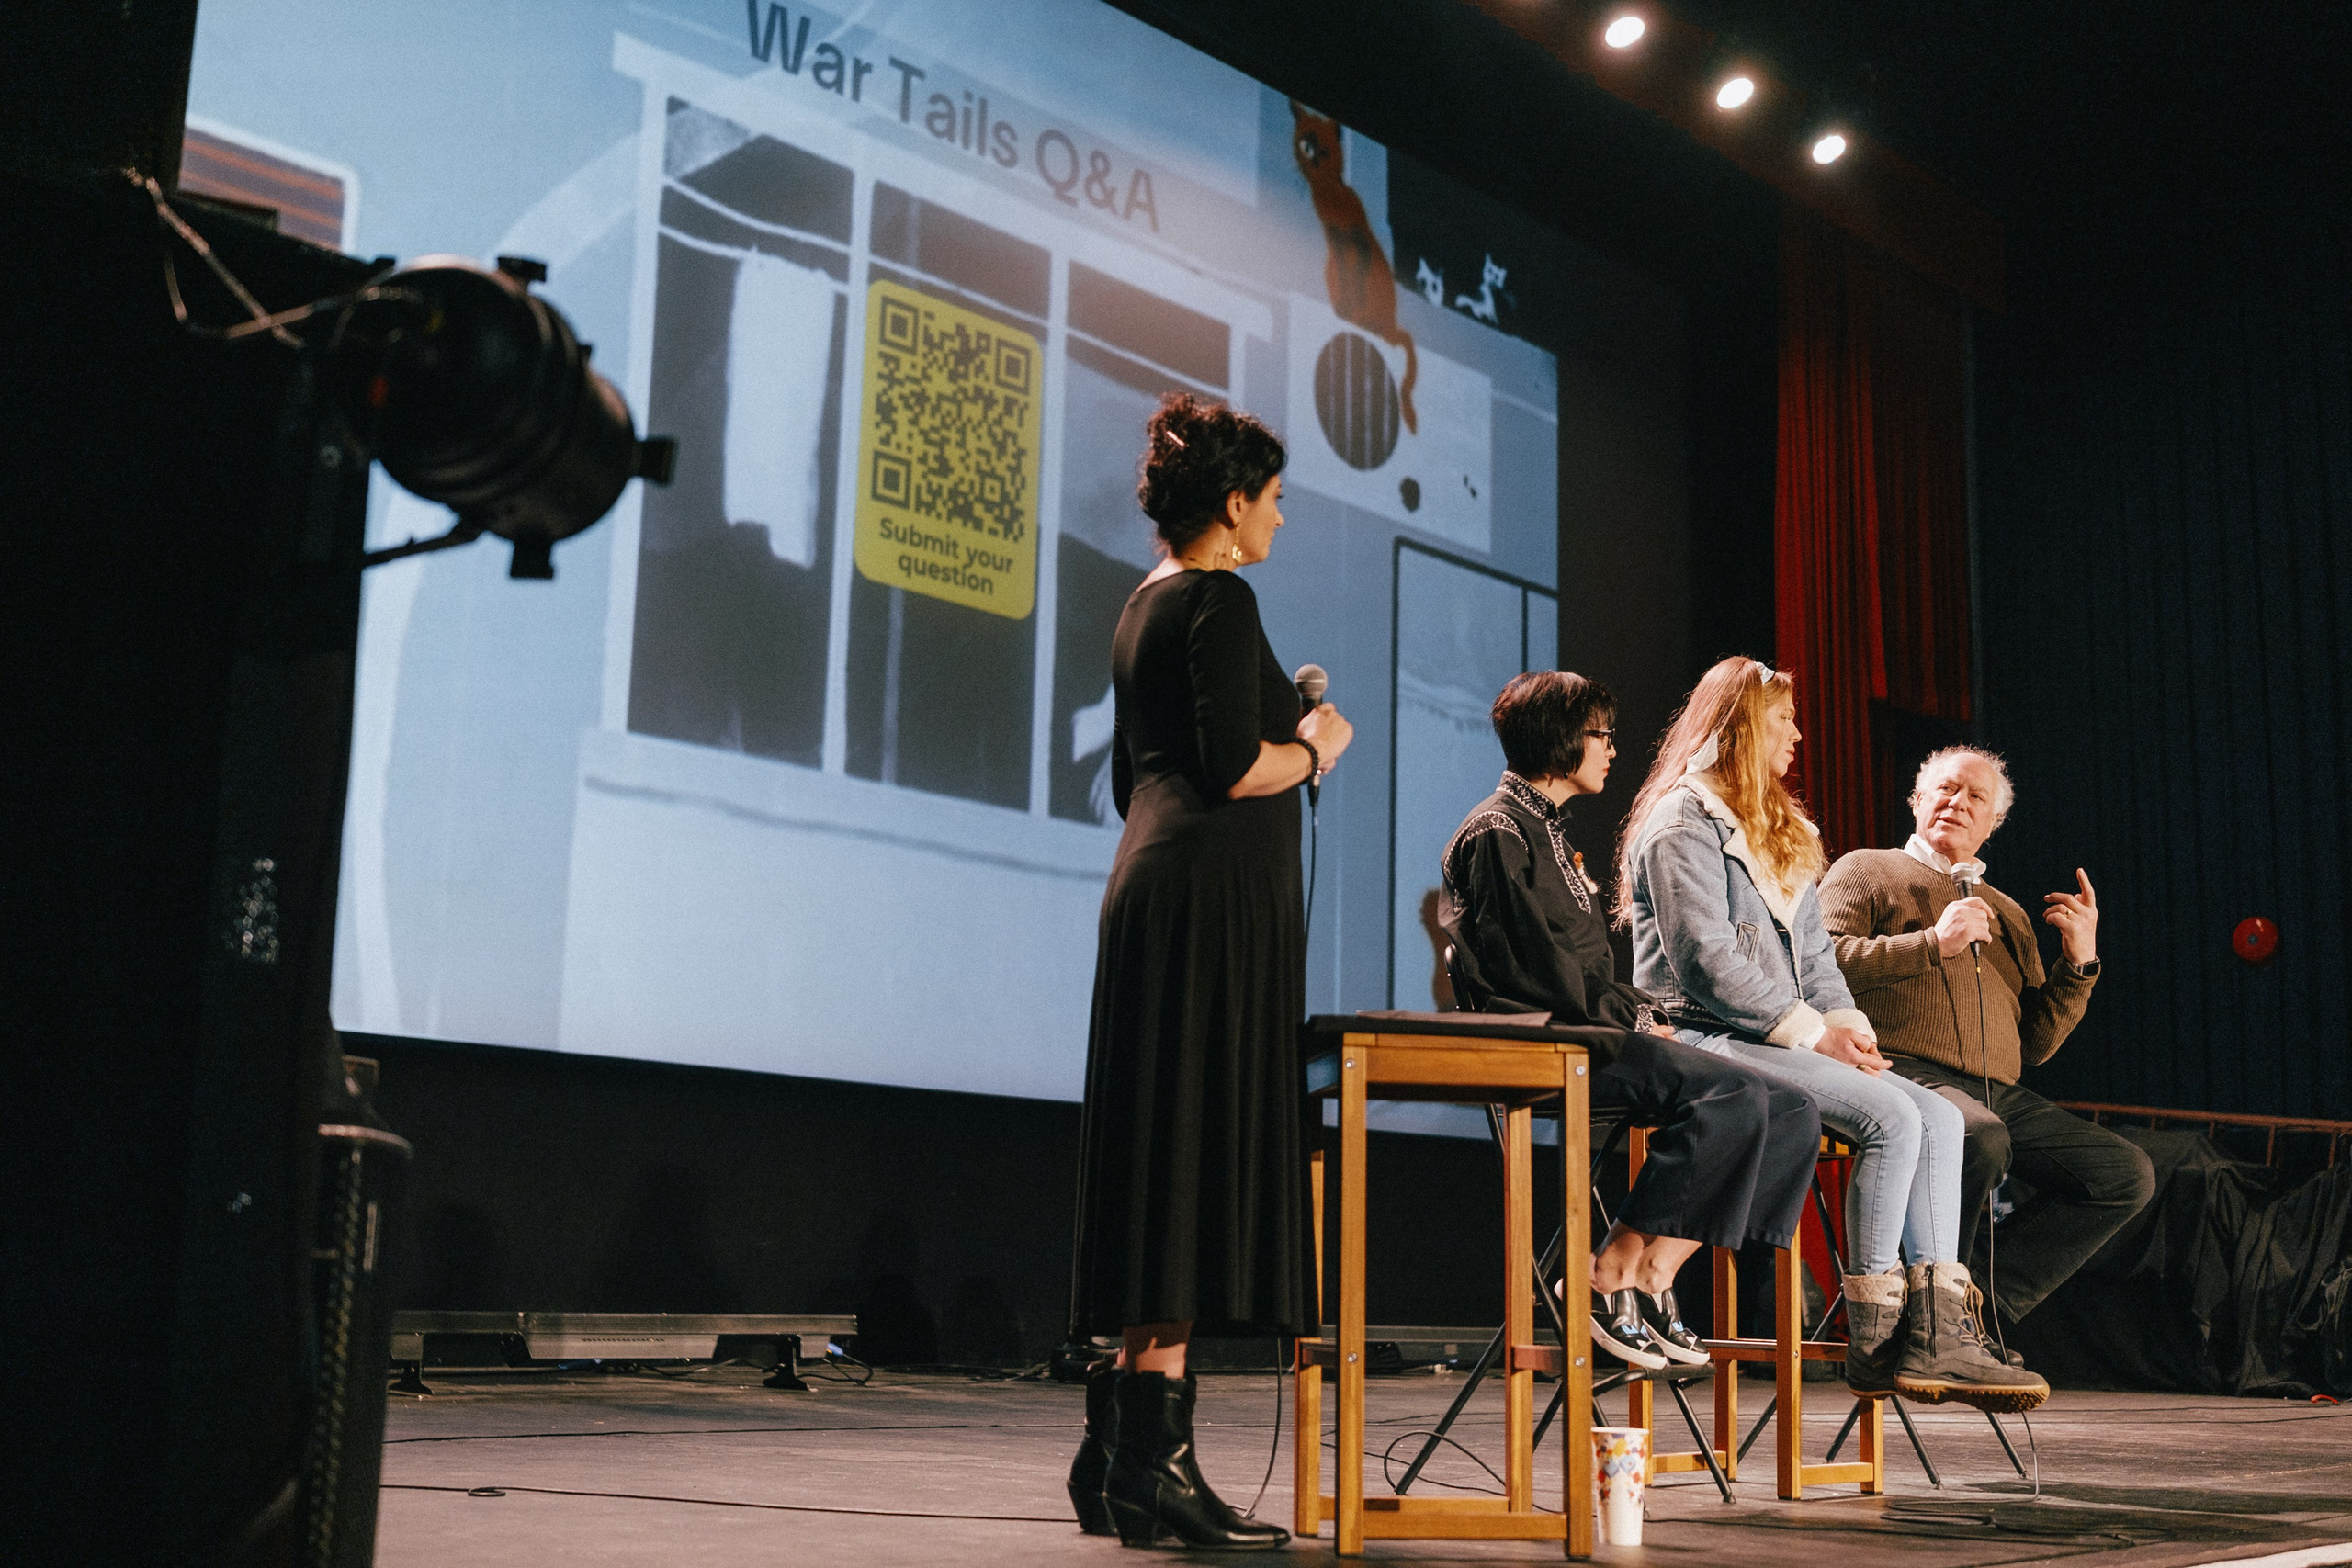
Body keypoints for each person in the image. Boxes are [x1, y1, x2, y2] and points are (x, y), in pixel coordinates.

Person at [1064, 394, 1353, 1551]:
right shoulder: (1219, 596)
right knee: (1185, 1154)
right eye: (1274, 501)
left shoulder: (1146, 602)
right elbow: (1237, 767)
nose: (1280, 520)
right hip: (1199, 908)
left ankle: (1118, 1455)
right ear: (1231, 507)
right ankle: (1159, 1468)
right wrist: (1317, 746)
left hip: (1158, 889)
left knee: (1158, 1148)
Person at [1616, 657, 2046, 1413]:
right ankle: (1876, 1334)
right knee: (1892, 1116)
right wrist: (1812, 1036)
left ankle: (1938, 1329)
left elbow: (1816, 958)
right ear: (1744, 725)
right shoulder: (1683, 820)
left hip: (1780, 1037)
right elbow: (1706, 962)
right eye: (1784, 720)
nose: (1799, 735)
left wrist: (1847, 1029)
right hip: (1701, 1036)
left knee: (1942, 1117)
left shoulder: (1780, 828)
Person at [1442, 671, 1823, 1371]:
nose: (1612, 749)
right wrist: (1639, 1013)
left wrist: (1631, 1011)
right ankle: (1608, 1265)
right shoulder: (1498, 831)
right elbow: (1542, 974)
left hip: (1596, 1028)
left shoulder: (1546, 828)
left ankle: (1657, 1272)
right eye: (1600, 735)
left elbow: (1578, 968)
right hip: (1552, 1042)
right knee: (1733, 1093)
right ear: (1560, 739)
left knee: (1795, 1107)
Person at [1819, 746, 2155, 1339]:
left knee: (2123, 1174)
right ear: (1917, 801)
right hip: (1900, 1072)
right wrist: (1931, 943)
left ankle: (1971, 1305)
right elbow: (1821, 962)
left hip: (1998, 1089)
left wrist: (2078, 965)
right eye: (1945, 789)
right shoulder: (1866, 868)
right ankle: (1927, 1308)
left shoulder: (2006, 912)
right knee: (1980, 1136)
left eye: (1976, 797)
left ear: (1993, 822)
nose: (1957, 802)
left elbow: (2036, 1044)